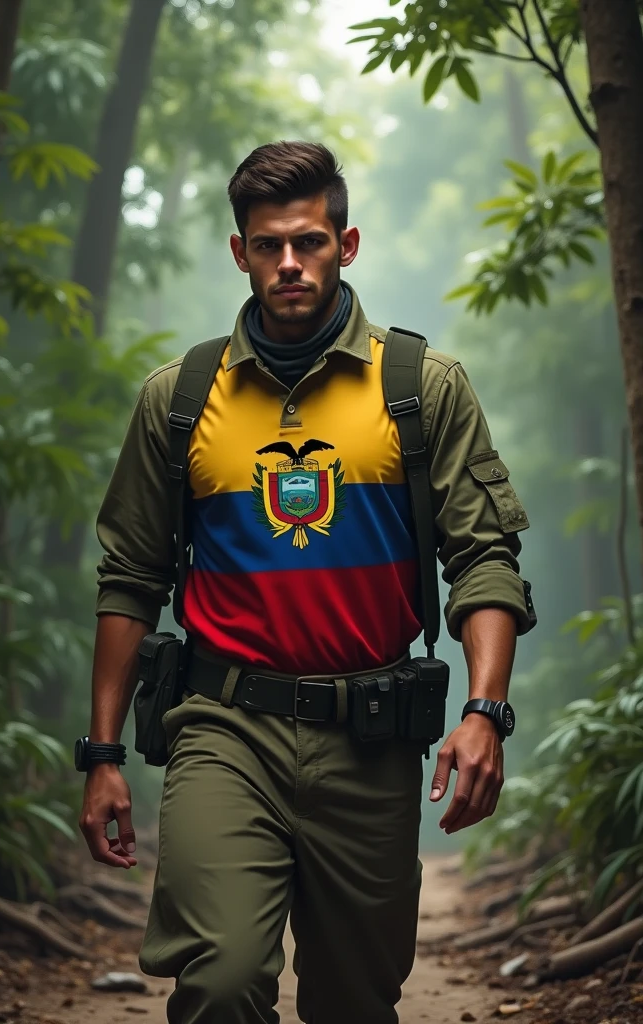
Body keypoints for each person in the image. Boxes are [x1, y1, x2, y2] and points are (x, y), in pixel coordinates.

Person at [78, 141, 534, 1024]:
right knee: (219, 983)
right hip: (224, 727)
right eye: (267, 244)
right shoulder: (179, 399)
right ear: (241, 252)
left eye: (310, 242)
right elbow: (130, 578)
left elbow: (482, 558)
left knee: (353, 1002)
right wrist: (100, 757)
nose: (290, 263)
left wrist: (485, 713)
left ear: (346, 244)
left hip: (372, 734)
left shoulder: (421, 388)